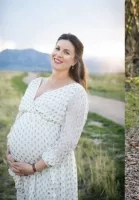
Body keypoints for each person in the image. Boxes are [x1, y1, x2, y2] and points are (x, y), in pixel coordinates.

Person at [6, 33, 89, 200]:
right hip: (21, 171)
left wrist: (35, 168)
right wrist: (9, 150)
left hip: (49, 172)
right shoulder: (35, 83)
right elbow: (21, 116)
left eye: (66, 52)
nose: (58, 54)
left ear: (74, 61)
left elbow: (69, 141)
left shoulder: (76, 92)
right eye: (57, 48)